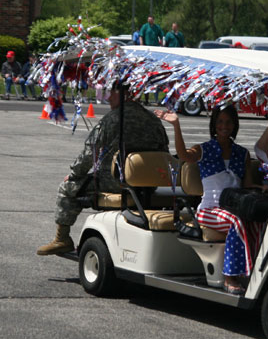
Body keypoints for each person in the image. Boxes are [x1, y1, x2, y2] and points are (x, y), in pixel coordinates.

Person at [37, 84, 170, 256]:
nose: (107, 98)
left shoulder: (113, 118)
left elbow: (90, 152)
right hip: (147, 185)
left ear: (125, 94)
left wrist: (74, 175)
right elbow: (164, 152)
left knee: (66, 188)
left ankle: (62, 239)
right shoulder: (153, 120)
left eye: (112, 93)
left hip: (114, 182)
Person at [156, 105, 260, 295]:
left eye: (228, 122)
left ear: (235, 125)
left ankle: (258, 273)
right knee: (235, 222)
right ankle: (231, 276)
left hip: (233, 207)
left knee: (261, 223)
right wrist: (176, 125)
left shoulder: (242, 153)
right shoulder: (204, 149)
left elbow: (248, 186)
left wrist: (267, 187)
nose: (224, 126)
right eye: (220, 121)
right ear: (213, 125)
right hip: (209, 211)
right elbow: (183, 155)